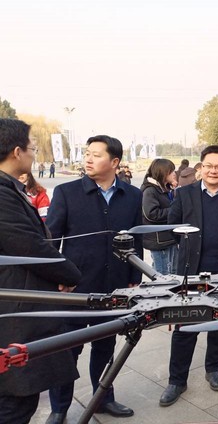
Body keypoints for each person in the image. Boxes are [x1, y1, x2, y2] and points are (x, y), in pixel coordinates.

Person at [46, 135, 142, 423]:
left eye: (96, 154)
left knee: (105, 347)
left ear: (115, 162)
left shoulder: (132, 195)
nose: (88, 159)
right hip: (75, 288)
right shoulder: (66, 192)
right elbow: (51, 241)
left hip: (113, 289)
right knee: (67, 351)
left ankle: (103, 399)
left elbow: (135, 238)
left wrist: (134, 275)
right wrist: (56, 277)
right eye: (87, 153)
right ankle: (59, 409)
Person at [0, 118, 81, 424]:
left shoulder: (9, 188)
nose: (34, 154)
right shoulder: (2, 193)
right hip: (15, 313)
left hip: (16, 305)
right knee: (15, 405)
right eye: (32, 148)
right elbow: (29, 246)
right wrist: (69, 275)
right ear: (16, 152)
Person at [159, 145, 218, 407]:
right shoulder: (184, 194)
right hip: (191, 271)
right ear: (201, 167)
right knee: (184, 327)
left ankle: (214, 368)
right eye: (209, 166)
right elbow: (172, 226)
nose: (213, 171)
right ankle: (177, 380)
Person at [140, 158, 178, 275]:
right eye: (171, 171)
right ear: (163, 173)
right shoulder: (150, 190)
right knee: (162, 273)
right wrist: (173, 211)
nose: (174, 174)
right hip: (158, 240)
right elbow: (151, 214)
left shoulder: (164, 188)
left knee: (173, 271)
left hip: (168, 237)